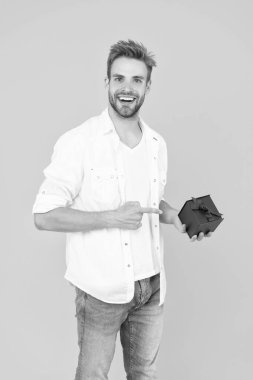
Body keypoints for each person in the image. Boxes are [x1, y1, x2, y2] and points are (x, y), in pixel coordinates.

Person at [32, 39, 212, 380]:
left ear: (147, 86)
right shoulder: (79, 142)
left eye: (136, 80)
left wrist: (177, 217)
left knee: (144, 373)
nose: (127, 89)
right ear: (107, 83)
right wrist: (110, 217)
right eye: (119, 79)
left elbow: (150, 200)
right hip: (101, 290)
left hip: (152, 286)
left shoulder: (157, 144)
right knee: (93, 375)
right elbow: (43, 216)